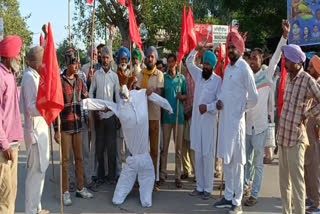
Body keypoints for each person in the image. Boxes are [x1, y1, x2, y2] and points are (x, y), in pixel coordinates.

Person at [83, 88, 173, 207]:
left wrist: (168, 107)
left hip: (142, 158)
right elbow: (100, 103)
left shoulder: (139, 95)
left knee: (145, 198)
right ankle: (127, 197)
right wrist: (84, 103)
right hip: (134, 159)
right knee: (120, 197)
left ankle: (141, 198)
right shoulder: (120, 106)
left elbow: (154, 96)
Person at [243, 20, 289, 207]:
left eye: (256, 58)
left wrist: (284, 37)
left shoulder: (266, 76)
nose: (253, 60)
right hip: (246, 126)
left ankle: (254, 194)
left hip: (260, 128)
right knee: (246, 162)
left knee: (258, 165)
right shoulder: (246, 77)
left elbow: (277, 57)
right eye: (251, 58)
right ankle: (245, 187)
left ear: (261, 61)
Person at [214, 31, 258, 214]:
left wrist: (241, 109)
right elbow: (226, 93)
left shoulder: (244, 68)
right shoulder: (228, 69)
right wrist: (220, 102)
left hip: (237, 123)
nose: (231, 50)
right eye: (229, 46)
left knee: (238, 163)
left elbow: (254, 97)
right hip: (225, 122)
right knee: (227, 160)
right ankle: (228, 196)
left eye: (234, 47)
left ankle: (237, 201)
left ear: (240, 48)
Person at [277, 44, 320, 214]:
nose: (285, 63)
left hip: (296, 138)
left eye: (287, 60)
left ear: (296, 62)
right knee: (283, 183)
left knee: (297, 183)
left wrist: (309, 113)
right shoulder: (289, 76)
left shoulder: (307, 80)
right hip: (283, 136)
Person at [54, 48, 93, 206]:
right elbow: (55, 108)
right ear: (67, 64)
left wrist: (97, 108)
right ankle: (65, 192)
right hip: (64, 127)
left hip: (78, 125)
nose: (77, 66)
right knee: (65, 160)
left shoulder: (79, 80)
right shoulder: (59, 81)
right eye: (74, 63)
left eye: (77, 63)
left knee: (79, 158)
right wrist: (55, 130)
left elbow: (87, 98)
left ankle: (80, 187)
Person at [186, 47, 222, 200]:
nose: (205, 66)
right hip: (197, 123)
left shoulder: (218, 80)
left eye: (208, 64)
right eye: (204, 63)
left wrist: (207, 108)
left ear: (213, 66)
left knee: (208, 156)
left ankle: (208, 188)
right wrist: (196, 49)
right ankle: (199, 186)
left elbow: (220, 103)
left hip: (208, 123)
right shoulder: (198, 75)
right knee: (198, 155)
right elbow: (188, 62)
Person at [21, 46, 50, 214]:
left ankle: (36, 208)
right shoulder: (29, 78)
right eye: (42, 60)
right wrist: (47, 105)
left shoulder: (36, 76)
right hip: (34, 136)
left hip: (41, 132)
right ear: (36, 61)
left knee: (40, 174)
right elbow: (30, 108)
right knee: (34, 177)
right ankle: (30, 211)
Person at [89, 46, 120, 185]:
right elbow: (91, 93)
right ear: (100, 58)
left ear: (111, 59)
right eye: (103, 57)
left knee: (112, 149)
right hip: (99, 117)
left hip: (112, 116)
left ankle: (112, 177)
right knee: (100, 148)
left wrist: (118, 115)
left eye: (107, 57)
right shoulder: (96, 75)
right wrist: (95, 111)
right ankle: (100, 176)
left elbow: (118, 98)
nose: (105, 60)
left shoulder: (114, 76)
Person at [0, 35, 24, 214]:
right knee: (5, 199)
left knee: (12, 194)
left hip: (12, 145)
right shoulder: (1, 76)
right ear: (8, 55)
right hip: (4, 148)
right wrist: (5, 144)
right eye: (17, 54)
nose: (19, 57)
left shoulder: (11, 75)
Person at [136, 46, 164, 189]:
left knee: (154, 150)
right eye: (148, 56)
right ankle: (141, 179)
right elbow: (137, 90)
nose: (150, 59)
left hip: (154, 116)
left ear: (156, 58)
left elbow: (159, 92)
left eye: (152, 56)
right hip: (141, 117)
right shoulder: (141, 74)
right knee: (141, 150)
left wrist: (151, 91)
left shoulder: (159, 74)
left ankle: (153, 180)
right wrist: (141, 92)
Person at [160, 53, 187, 188]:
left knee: (178, 149)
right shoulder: (163, 78)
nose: (170, 64)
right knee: (164, 148)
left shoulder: (181, 78)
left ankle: (177, 176)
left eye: (173, 62)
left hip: (178, 117)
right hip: (166, 117)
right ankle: (162, 175)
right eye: (169, 62)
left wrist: (181, 96)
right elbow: (161, 96)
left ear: (176, 63)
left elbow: (186, 95)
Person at [115, 46, 137, 178]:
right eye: (121, 59)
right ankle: (118, 173)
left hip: (129, 117)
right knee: (118, 148)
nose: (123, 61)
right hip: (118, 115)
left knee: (129, 147)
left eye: (125, 59)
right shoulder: (114, 74)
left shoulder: (132, 76)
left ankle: (129, 174)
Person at [305, 55, 320, 214]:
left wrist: (309, 114)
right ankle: (310, 197)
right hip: (308, 129)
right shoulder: (313, 83)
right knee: (308, 165)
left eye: (311, 67)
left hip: (316, 129)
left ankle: (317, 203)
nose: (308, 70)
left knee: (314, 168)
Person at [181, 66, 196, 180]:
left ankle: (196, 172)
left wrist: (191, 111)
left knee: (192, 144)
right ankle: (186, 170)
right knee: (183, 145)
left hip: (193, 114)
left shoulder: (197, 76)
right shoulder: (181, 76)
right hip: (181, 114)